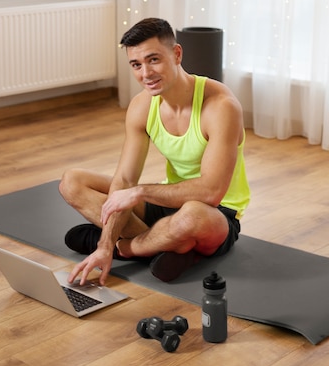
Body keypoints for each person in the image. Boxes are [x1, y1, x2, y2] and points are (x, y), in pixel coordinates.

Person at [59, 17, 250, 286]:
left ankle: (129, 249)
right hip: (167, 203)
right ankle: (167, 248)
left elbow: (211, 192)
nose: (145, 73)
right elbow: (124, 180)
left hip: (214, 214)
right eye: (136, 65)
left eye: (154, 60)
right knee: (72, 182)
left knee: (192, 214)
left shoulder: (220, 106)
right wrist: (103, 245)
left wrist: (121, 231)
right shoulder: (141, 106)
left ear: (177, 54)